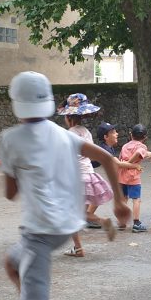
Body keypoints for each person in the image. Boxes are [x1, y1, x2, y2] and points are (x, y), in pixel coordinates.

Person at [0, 72, 129, 300]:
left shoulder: (11, 139)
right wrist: (119, 202)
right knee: (12, 264)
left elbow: (10, 193)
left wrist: (16, 169)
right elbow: (109, 158)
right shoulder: (64, 134)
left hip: (40, 231)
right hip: (68, 226)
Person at [58, 93, 116, 256]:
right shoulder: (86, 133)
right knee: (81, 214)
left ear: (68, 117)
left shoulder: (68, 134)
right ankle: (100, 224)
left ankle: (79, 247)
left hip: (75, 178)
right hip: (88, 174)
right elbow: (91, 154)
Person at [118, 124, 151, 232]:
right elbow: (139, 153)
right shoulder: (142, 146)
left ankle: (122, 221)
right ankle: (136, 223)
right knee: (136, 199)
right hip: (133, 175)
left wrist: (126, 163)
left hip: (121, 175)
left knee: (123, 198)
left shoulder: (125, 146)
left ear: (131, 135)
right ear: (145, 137)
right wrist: (130, 162)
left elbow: (120, 158)